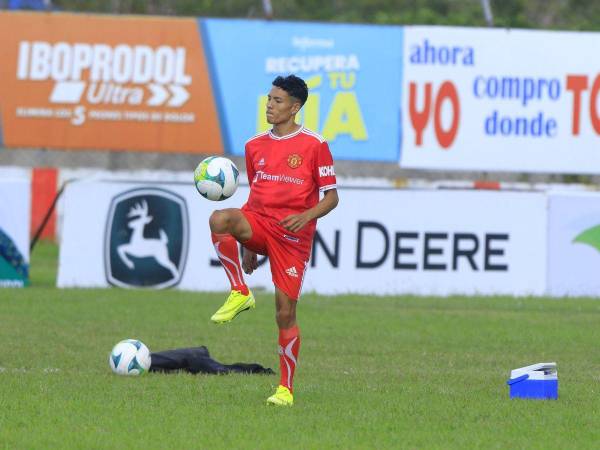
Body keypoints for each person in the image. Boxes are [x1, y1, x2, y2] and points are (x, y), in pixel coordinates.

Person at [208, 74, 339, 406]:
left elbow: (332, 198)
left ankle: (285, 389)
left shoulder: (315, 144)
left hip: (293, 238)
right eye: (268, 99)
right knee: (220, 218)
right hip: (261, 224)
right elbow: (255, 196)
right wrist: (246, 244)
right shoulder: (254, 146)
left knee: (284, 314)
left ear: (295, 107)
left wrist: (306, 216)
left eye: (277, 101)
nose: (270, 105)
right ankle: (240, 291)